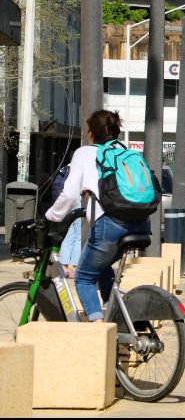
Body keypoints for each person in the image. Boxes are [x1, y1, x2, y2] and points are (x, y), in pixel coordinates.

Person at [45, 110, 151, 322]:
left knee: (83, 277)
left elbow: (68, 194)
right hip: (141, 224)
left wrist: (50, 216)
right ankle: (114, 315)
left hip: (110, 225)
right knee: (100, 268)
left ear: (91, 133)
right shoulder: (125, 151)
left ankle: (99, 331)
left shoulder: (84, 153)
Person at [51, 163, 81, 279]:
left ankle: (63, 267)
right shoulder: (82, 167)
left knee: (69, 235)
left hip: (67, 203)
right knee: (78, 236)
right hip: (78, 201)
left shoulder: (67, 167)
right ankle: (73, 267)